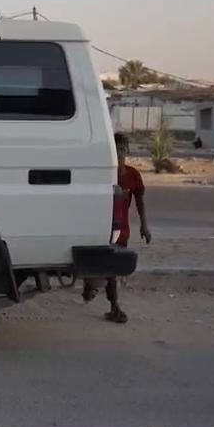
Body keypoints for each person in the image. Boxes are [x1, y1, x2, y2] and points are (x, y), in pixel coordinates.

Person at [83, 133, 150, 323]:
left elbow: (140, 202)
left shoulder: (133, 175)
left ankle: (109, 301)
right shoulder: (104, 174)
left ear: (127, 150)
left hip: (122, 229)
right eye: (116, 148)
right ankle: (106, 298)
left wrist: (144, 226)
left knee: (113, 267)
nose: (119, 152)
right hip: (102, 226)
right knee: (104, 264)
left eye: (122, 148)